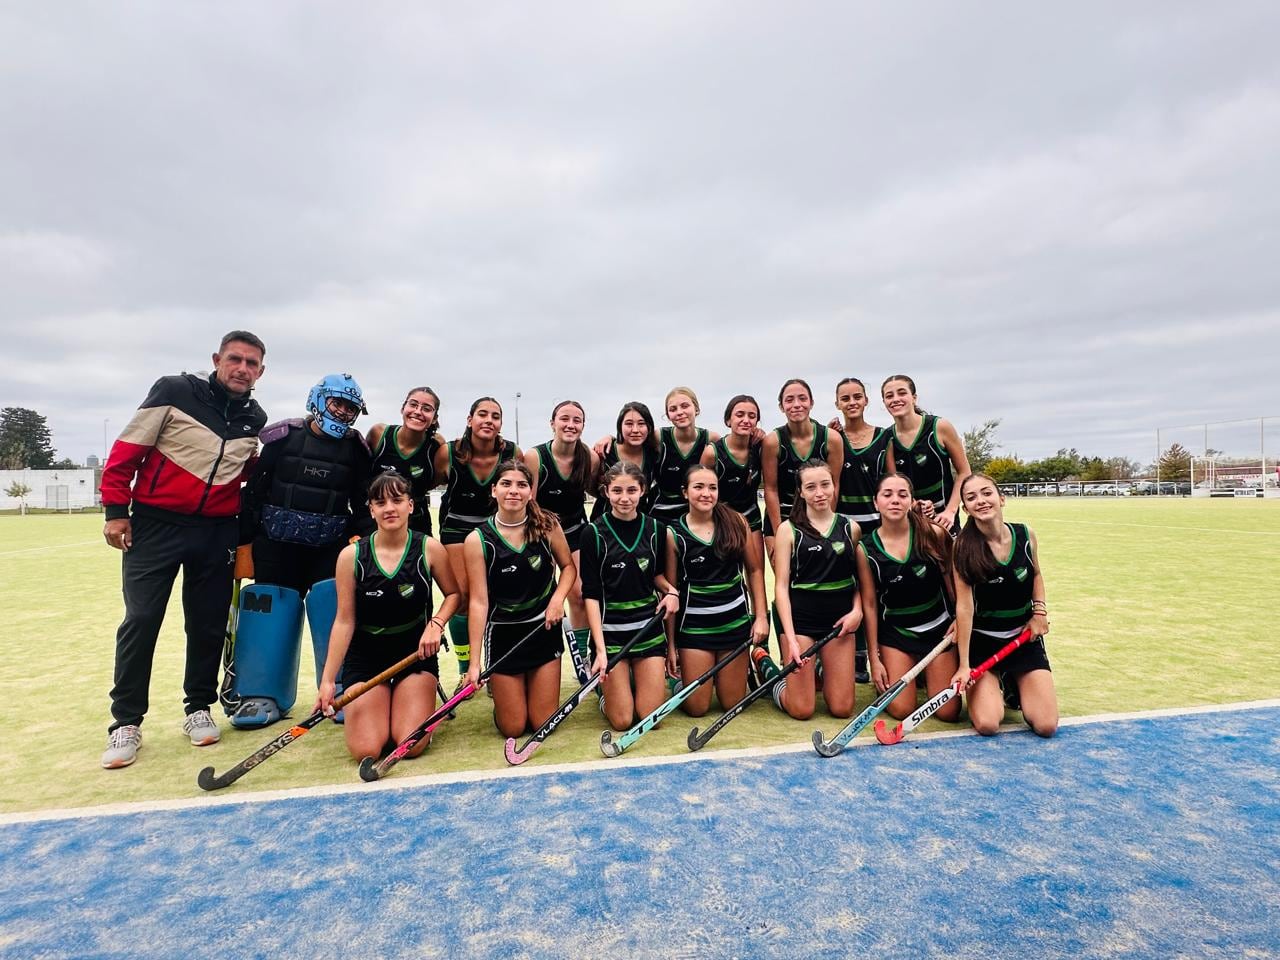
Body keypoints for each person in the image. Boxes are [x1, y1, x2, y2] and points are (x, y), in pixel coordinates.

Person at [99, 330, 267, 769]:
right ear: (217, 359)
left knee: (209, 623)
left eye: (251, 364)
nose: (242, 369)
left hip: (216, 531)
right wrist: (116, 510)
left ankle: (198, 708)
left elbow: (245, 472)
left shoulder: (255, 418)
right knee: (141, 619)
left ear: (261, 372)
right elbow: (126, 451)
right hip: (155, 525)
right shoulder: (174, 391)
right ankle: (126, 723)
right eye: (235, 359)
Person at [228, 373, 373, 728]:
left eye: (350, 408)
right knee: (269, 612)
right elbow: (254, 494)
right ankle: (260, 694)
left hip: (329, 548)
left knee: (332, 608)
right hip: (276, 545)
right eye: (337, 404)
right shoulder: (283, 438)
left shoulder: (356, 449)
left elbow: (363, 501)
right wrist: (244, 542)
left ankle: (340, 688)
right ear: (318, 400)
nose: (342, 413)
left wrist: (359, 537)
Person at [315, 472, 461, 759]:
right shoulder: (351, 556)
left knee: (409, 745)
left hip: (414, 654)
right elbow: (345, 620)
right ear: (371, 509)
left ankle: (418, 709)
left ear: (410, 505)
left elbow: (455, 595)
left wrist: (436, 624)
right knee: (367, 750)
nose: (389, 508)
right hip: (367, 658)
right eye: (380, 502)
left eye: (397, 500)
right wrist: (328, 680)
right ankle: (391, 706)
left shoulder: (428, 547)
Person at [465, 461, 577, 737]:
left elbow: (569, 568)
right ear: (494, 491)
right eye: (506, 484)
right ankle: (504, 699)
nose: (513, 491)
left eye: (521, 485)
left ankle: (526, 691)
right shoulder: (477, 540)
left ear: (530, 492)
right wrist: (474, 663)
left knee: (542, 725)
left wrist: (556, 600)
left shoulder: (548, 526)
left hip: (543, 629)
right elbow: (479, 602)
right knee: (513, 728)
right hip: (504, 635)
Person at [753, 460, 862, 720]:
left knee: (842, 709)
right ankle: (766, 667)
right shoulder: (788, 530)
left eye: (825, 485)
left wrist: (857, 611)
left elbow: (860, 581)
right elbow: (780, 588)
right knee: (801, 710)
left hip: (839, 624)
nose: (820, 493)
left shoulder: (851, 528)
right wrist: (789, 639)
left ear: (834, 486)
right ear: (800, 492)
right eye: (811, 487)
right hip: (801, 624)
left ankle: (824, 670)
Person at [951, 474, 1058, 737]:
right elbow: (965, 609)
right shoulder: (962, 547)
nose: (981, 501)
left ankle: (1013, 680)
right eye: (972, 497)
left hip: (1022, 640)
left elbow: (1035, 575)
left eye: (987, 493)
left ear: (1001, 498)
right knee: (988, 723)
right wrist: (964, 665)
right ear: (966, 508)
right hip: (984, 644)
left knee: (1046, 726)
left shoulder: (1025, 534)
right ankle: (996, 681)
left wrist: (1039, 611)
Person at [581, 461, 681, 730]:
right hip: (611, 635)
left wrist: (671, 592)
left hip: (647, 631)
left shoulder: (657, 530)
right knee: (623, 721)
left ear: (643, 491)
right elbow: (590, 595)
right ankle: (607, 692)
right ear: (606, 492)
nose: (624, 498)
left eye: (631, 490)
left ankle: (631, 681)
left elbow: (657, 576)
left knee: (650, 719)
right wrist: (600, 651)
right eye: (617, 491)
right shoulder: (593, 533)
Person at [666, 466, 769, 716]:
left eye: (712, 487)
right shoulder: (673, 534)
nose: (706, 493)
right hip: (695, 629)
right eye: (698, 487)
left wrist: (761, 617)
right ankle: (677, 681)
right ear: (684, 492)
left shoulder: (736, 522)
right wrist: (671, 645)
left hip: (734, 625)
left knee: (732, 705)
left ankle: (761, 662)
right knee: (697, 708)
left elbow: (754, 571)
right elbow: (671, 592)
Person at [434, 397, 521, 689]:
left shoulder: (511, 452)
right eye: (482, 414)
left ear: (500, 424)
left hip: (494, 528)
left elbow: (518, 487)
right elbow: (428, 483)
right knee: (463, 598)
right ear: (470, 419)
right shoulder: (447, 453)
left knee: (499, 597)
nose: (489, 420)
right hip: (457, 527)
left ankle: (497, 666)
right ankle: (465, 670)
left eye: (495, 416)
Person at [857, 474, 959, 721]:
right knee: (902, 710)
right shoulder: (865, 549)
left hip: (939, 633)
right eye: (887, 494)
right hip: (897, 635)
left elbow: (955, 583)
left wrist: (959, 619)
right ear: (876, 502)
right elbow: (869, 605)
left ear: (911, 500)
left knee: (948, 713)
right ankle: (911, 670)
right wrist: (874, 657)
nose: (895, 500)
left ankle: (926, 672)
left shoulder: (933, 533)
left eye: (903, 495)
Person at [524, 400, 598, 681]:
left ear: (582, 425)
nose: (570, 425)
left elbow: (597, 489)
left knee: (578, 594)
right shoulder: (535, 456)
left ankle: (582, 660)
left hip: (576, 530)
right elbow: (528, 502)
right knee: (537, 596)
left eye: (577, 420)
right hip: (541, 532)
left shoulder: (589, 457)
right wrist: (545, 536)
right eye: (564, 418)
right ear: (552, 422)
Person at [761, 378, 844, 559]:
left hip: (817, 513)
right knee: (786, 578)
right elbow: (770, 489)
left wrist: (826, 524)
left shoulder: (831, 438)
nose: (796, 404)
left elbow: (834, 485)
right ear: (781, 407)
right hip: (782, 515)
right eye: (789, 400)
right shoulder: (773, 441)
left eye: (802, 398)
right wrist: (779, 533)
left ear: (811, 403)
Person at [881, 374, 970, 534]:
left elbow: (964, 472)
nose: (895, 399)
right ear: (885, 403)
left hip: (944, 519)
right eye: (889, 396)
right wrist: (914, 505)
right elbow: (896, 483)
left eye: (902, 393)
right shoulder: (887, 438)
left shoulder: (939, 427)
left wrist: (950, 511)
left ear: (914, 398)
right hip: (910, 520)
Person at [360, 386, 443, 537]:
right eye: (413, 404)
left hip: (416, 522)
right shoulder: (379, 434)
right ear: (403, 408)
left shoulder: (436, 446)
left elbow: (435, 481)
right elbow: (361, 474)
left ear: (434, 418)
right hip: (375, 520)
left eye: (426, 408)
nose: (418, 411)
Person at [649, 387, 719, 523]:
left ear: (696, 409)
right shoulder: (658, 437)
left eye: (685, 406)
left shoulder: (711, 439)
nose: (680, 412)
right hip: (661, 512)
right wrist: (608, 438)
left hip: (696, 513)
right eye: (673, 409)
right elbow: (629, 442)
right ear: (668, 415)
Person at [833, 377, 893, 535]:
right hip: (842, 524)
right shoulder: (833, 438)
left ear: (866, 400)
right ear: (837, 404)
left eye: (857, 397)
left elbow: (893, 481)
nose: (852, 402)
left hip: (878, 525)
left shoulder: (883, 436)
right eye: (845, 399)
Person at [703, 394, 764, 543]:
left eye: (752, 416)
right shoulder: (713, 453)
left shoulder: (761, 447)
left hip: (752, 519)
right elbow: (702, 491)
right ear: (728, 420)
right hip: (722, 521)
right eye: (739, 414)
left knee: (756, 567)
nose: (746, 420)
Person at [589, 401, 659, 521]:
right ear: (620, 426)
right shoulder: (605, 452)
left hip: (640, 523)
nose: (635, 430)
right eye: (629, 424)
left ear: (649, 427)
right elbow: (589, 486)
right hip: (605, 522)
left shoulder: (654, 453)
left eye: (641, 424)